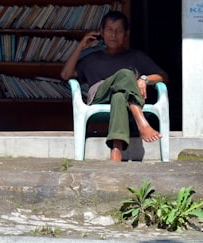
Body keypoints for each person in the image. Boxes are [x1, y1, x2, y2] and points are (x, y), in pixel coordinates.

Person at [60, 10, 167, 162]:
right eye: (109, 30)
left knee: (119, 96)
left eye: (119, 31)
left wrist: (144, 79)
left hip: (123, 100)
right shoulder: (92, 58)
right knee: (126, 73)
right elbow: (65, 74)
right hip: (99, 95)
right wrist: (81, 45)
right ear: (102, 32)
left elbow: (163, 76)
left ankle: (116, 152)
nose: (113, 35)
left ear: (126, 34)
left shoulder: (136, 56)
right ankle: (141, 122)